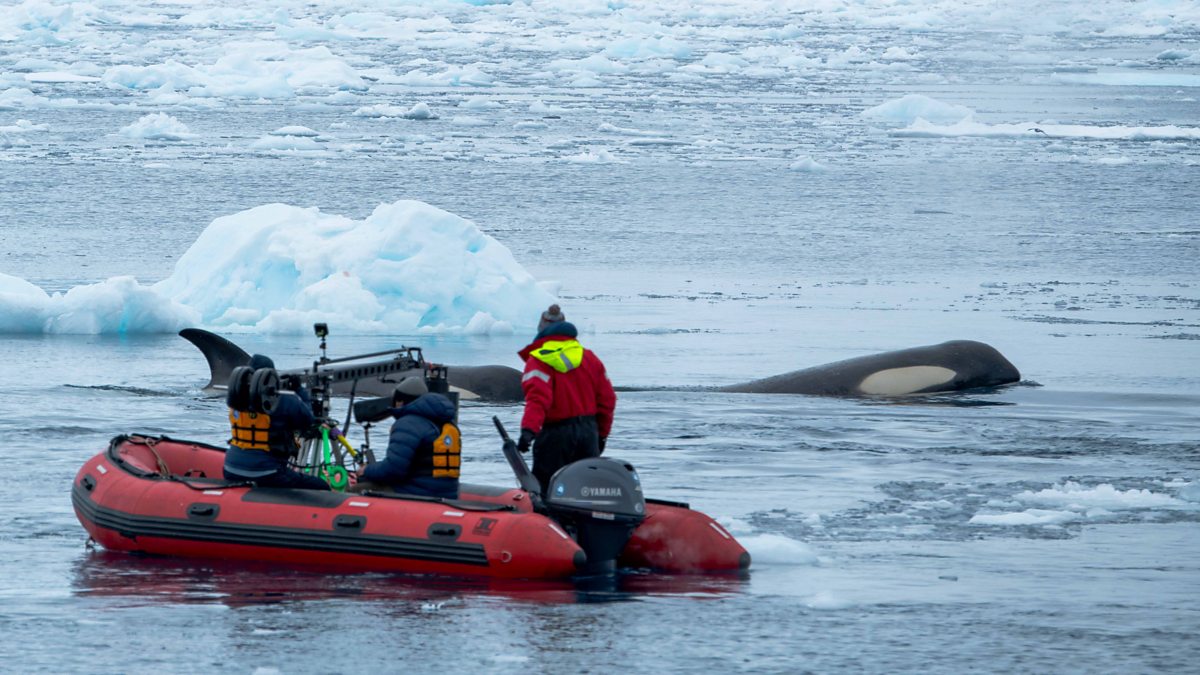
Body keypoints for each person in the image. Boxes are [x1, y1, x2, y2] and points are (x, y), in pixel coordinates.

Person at [517, 304, 617, 493]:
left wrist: (528, 431)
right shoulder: (590, 358)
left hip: (556, 435)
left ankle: (547, 521)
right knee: (585, 490)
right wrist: (601, 435)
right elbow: (607, 400)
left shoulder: (539, 360)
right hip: (588, 433)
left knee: (545, 489)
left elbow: (538, 400)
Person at [224, 354, 331, 490]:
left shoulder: (235, 400)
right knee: (321, 486)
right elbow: (308, 419)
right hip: (268, 473)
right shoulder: (283, 400)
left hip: (230, 469)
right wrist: (299, 390)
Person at [352, 376, 460, 499]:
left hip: (415, 493)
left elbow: (393, 470)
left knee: (353, 491)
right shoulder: (447, 424)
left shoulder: (407, 424)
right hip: (447, 495)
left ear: (400, 401)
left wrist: (367, 470)